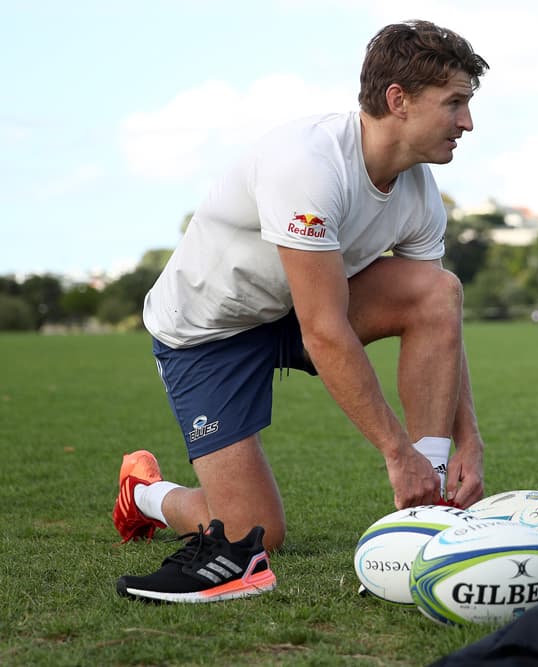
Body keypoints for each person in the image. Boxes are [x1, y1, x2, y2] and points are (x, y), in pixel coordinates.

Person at [113, 20, 489, 603]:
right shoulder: (308, 164)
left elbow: (440, 319)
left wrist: (470, 441)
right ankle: (144, 494)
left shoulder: (419, 194)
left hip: (302, 309)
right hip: (210, 333)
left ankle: (430, 507)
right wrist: (396, 452)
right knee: (256, 534)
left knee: (437, 289)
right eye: (455, 103)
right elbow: (323, 331)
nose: (467, 122)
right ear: (399, 100)